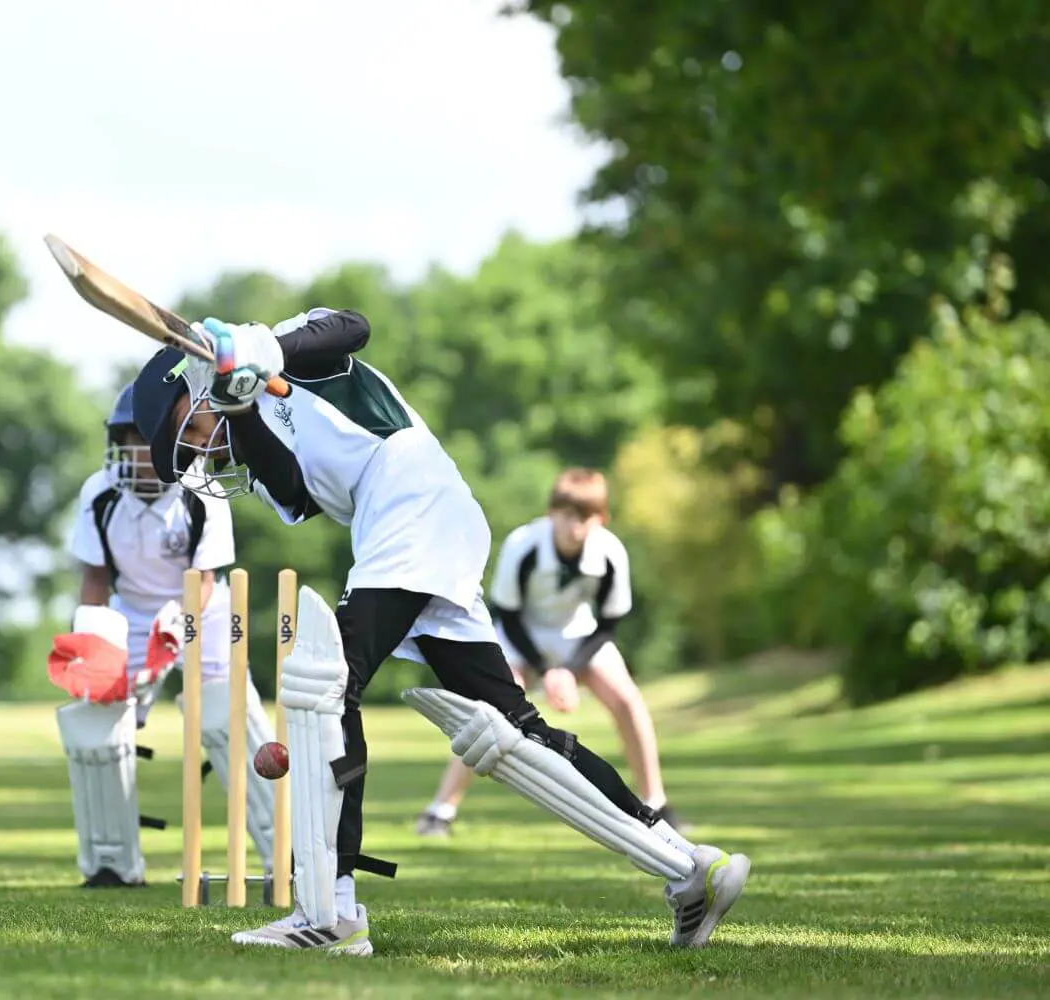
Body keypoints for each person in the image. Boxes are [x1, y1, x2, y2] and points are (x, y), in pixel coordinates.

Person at [129, 309, 750, 957]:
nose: (207, 447)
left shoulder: (293, 347)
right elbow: (297, 494)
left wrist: (260, 351)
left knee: (323, 686)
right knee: (514, 729)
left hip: (410, 500)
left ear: (193, 383)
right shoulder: (247, 409)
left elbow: (352, 326)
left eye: (192, 429)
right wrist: (244, 405)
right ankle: (689, 868)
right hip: (411, 520)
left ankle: (331, 911)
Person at [53, 382, 275, 889]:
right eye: (134, 439)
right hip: (127, 612)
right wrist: (92, 651)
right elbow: (93, 579)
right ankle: (112, 862)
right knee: (98, 725)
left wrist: (175, 632)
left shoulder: (203, 491)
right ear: (120, 441)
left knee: (227, 714)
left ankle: (280, 852)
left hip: (200, 608)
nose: (143, 452)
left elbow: (204, 580)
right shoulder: (100, 491)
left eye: (153, 440)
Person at [416, 468, 685, 838]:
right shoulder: (523, 544)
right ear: (550, 512)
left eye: (584, 516)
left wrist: (571, 670)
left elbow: (607, 624)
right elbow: (508, 615)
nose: (573, 525)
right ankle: (440, 810)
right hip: (521, 634)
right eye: (565, 513)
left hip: (580, 635)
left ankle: (656, 802)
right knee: (488, 712)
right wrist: (546, 670)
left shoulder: (609, 551)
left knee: (628, 699)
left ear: (601, 518)